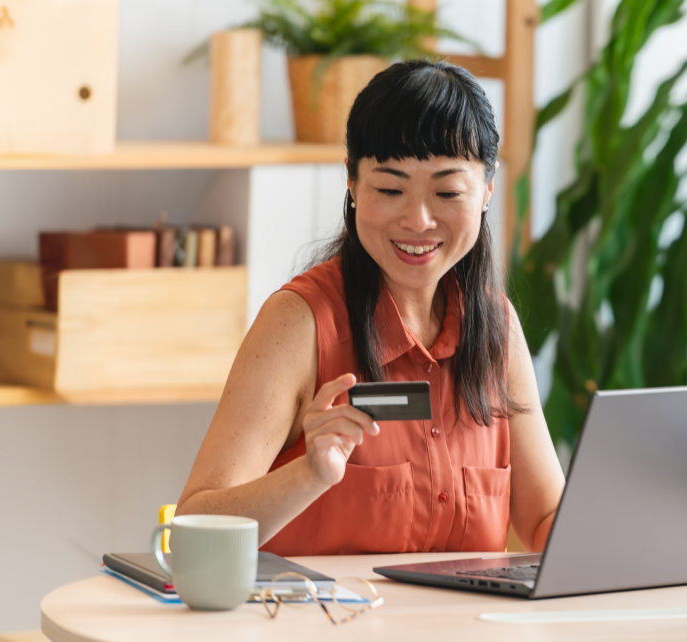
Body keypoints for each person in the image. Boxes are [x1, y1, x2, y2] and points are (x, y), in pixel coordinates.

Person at [174, 60, 565, 556]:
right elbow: (192, 529)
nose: (418, 220)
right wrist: (309, 474)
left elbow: (544, 518)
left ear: (487, 190)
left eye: (447, 191)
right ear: (353, 186)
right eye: (389, 188)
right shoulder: (298, 323)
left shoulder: (496, 326)